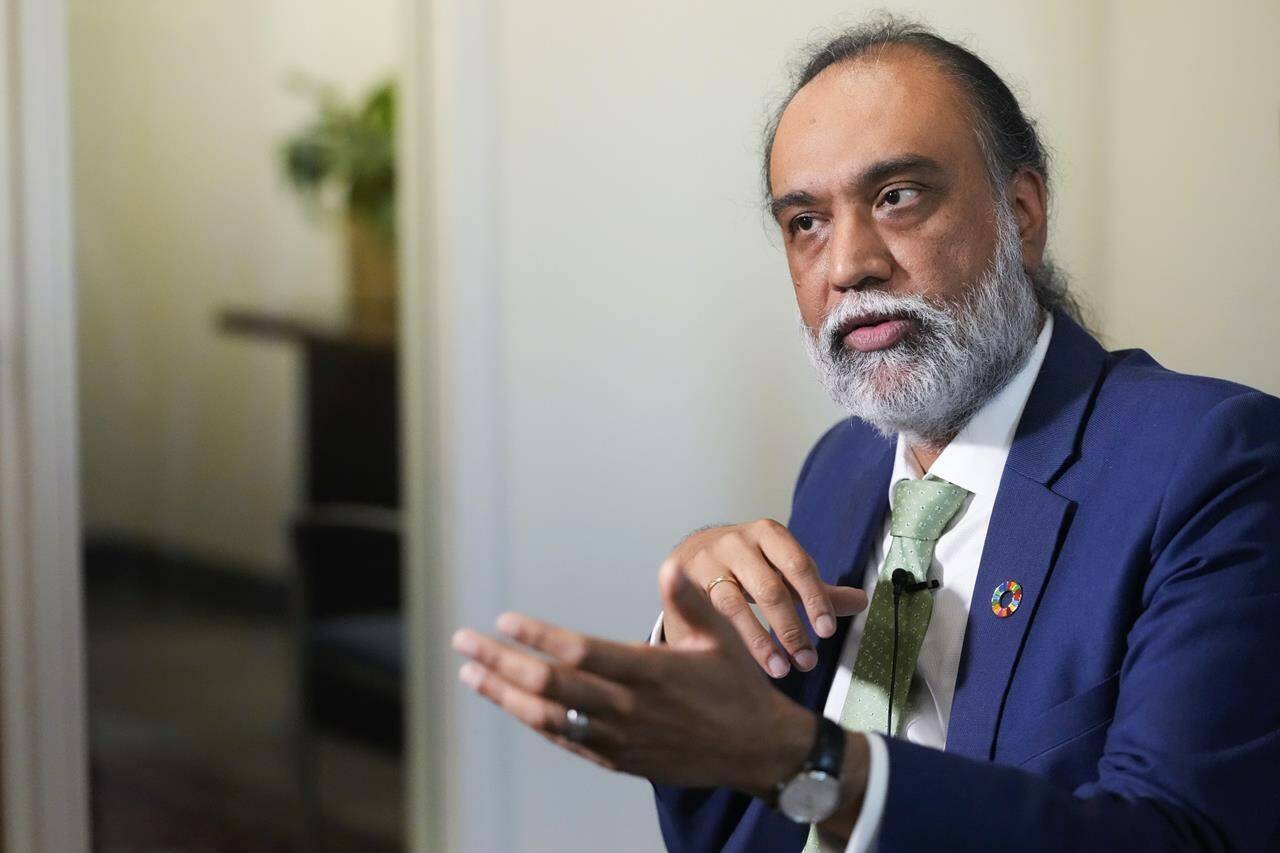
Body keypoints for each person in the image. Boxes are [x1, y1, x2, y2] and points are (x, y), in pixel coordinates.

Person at [450, 17, 1280, 852]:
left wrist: (802, 759)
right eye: (805, 221)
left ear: (1022, 213)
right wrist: (705, 670)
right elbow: (751, 830)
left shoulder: (1211, 462)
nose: (848, 264)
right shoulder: (840, 468)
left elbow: (1178, 837)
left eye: (897, 197)